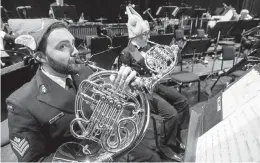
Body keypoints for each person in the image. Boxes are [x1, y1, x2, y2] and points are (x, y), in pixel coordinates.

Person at [6, 18, 160, 162]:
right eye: (63, 46)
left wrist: (124, 90)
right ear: (41, 57)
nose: (75, 51)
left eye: (73, 43)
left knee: (153, 158)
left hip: (112, 145)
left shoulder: (84, 71)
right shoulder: (21, 104)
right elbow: (34, 160)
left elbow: (105, 107)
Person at [119, 6, 190, 161]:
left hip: (154, 85)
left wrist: (173, 53)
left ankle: (179, 137)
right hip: (141, 92)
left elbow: (164, 66)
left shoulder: (148, 47)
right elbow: (124, 80)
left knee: (183, 102)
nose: (148, 36)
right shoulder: (128, 52)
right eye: (145, 34)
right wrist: (138, 80)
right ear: (136, 36)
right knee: (171, 114)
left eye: (147, 33)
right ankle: (166, 146)